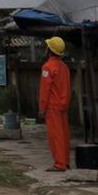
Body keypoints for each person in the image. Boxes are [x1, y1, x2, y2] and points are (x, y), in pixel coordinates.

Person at [38, 36, 71, 172]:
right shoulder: (64, 67)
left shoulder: (47, 67)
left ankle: (59, 164)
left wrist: (41, 109)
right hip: (64, 105)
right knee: (64, 134)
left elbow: (45, 90)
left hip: (53, 106)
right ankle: (65, 161)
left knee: (55, 135)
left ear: (49, 50)